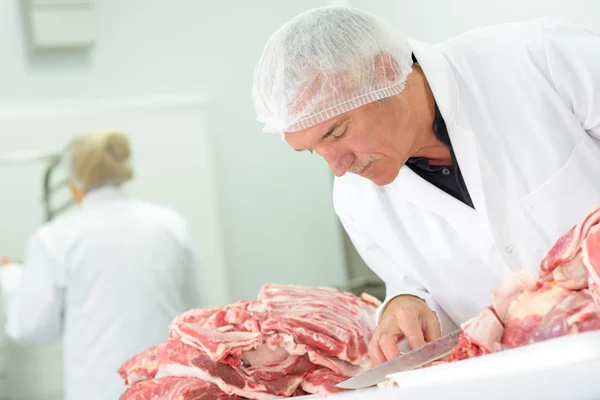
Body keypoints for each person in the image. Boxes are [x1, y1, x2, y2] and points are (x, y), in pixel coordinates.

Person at [252, 6, 600, 366]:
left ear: (384, 71)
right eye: (313, 151)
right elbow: (422, 291)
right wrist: (409, 302)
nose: (338, 169)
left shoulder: (540, 59)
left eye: (337, 133)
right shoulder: (356, 203)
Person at [0, 132, 205, 399]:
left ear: (73, 182)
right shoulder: (169, 224)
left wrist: (12, 276)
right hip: (171, 387)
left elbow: (28, 329)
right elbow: (196, 314)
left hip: (102, 390)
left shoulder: (55, 238)